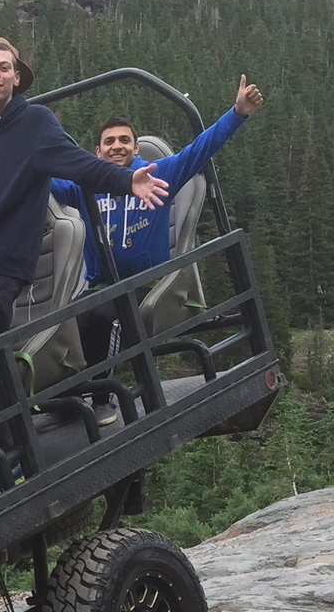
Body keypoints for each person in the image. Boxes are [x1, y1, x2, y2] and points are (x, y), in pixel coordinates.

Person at [0, 38, 167, 421]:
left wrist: (126, 180)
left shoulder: (35, 123)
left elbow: (80, 163)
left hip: (3, 258)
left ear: (17, 78)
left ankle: (5, 443)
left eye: (3, 68)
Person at [53, 74, 266, 382]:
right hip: (100, 287)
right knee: (67, 322)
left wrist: (238, 114)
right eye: (109, 142)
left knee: (105, 319)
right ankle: (66, 396)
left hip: (147, 285)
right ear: (97, 152)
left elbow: (199, 150)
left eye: (124, 140)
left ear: (136, 148)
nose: (117, 147)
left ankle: (100, 396)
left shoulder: (158, 174)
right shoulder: (85, 185)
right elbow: (44, 180)